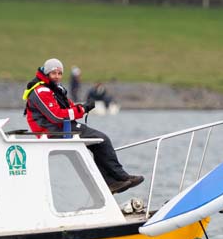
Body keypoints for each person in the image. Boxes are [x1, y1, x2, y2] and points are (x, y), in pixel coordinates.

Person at [23, 58, 143, 194]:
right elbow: (57, 116)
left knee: (98, 142)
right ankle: (120, 176)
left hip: (60, 128)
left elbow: (68, 107)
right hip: (53, 131)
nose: (57, 76)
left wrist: (83, 106)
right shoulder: (41, 91)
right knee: (102, 139)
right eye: (53, 73)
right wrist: (83, 109)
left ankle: (111, 182)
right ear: (46, 73)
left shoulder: (53, 88)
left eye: (59, 73)